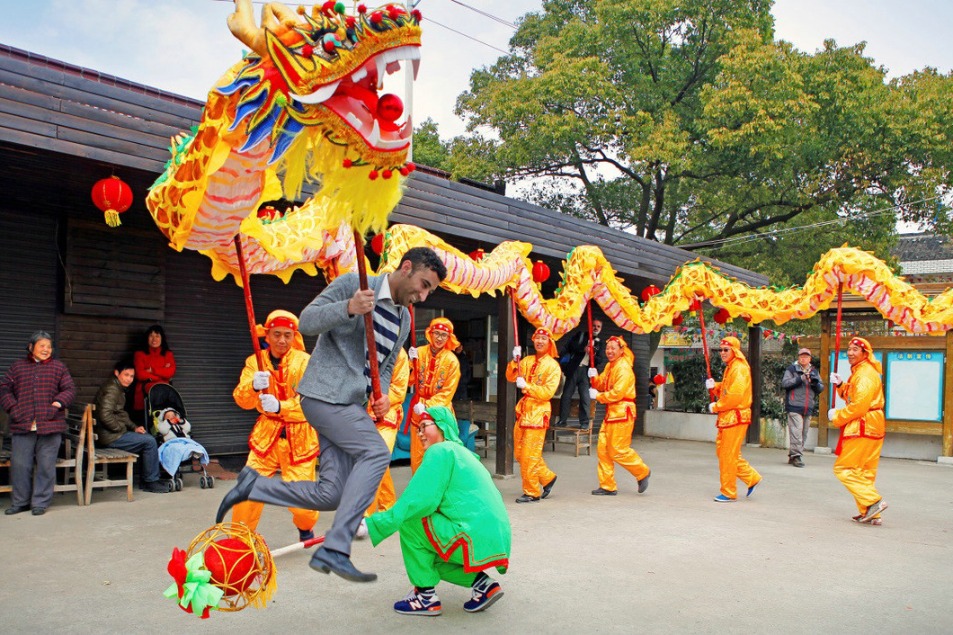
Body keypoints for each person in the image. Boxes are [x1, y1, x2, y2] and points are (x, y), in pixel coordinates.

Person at [215, 247, 447, 583]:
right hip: (322, 396)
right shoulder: (354, 284)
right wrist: (349, 307)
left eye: (430, 291)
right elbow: (308, 321)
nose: (423, 295)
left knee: (331, 494)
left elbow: (384, 365)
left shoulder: (405, 318)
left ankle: (254, 486)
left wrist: (380, 395)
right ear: (407, 267)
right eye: (424, 284)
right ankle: (336, 549)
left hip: (350, 405)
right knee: (376, 452)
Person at [366, 406, 510, 616]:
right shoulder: (462, 453)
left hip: (471, 535)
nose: (420, 433)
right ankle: (483, 585)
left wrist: (374, 525)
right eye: (418, 428)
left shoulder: (440, 451)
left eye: (425, 426)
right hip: (491, 537)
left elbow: (419, 501)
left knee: (410, 522)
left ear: (442, 426)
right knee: (427, 556)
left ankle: (425, 597)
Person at [230, 310, 319, 542]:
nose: (282, 340)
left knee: (303, 507)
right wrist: (252, 386)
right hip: (266, 436)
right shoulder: (255, 362)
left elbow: (313, 404)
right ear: (267, 335)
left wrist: (281, 406)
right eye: (277, 334)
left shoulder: (305, 362)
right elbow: (241, 400)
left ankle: (305, 527)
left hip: (300, 439)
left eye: (287, 335)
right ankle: (240, 543)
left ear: (294, 336)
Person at [0, 331, 75, 516]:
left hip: (50, 424)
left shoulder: (58, 367)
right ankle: (20, 502)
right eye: (42, 346)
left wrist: (56, 404)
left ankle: (40, 502)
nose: (46, 349)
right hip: (22, 424)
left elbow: (69, 390)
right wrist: (13, 408)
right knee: (20, 466)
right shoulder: (17, 367)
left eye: (49, 346)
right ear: (31, 347)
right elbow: (4, 388)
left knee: (46, 466)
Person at [828, 337, 887, 525]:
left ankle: (872, 501)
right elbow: (856, 396)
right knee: (865, 471)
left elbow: (859, 406)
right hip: (872, 424)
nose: (850, 353)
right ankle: (871, 512)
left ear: (864, 353)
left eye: (855, 349)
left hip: (863, 424)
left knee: (844, 468)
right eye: (849, 349)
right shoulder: (862, 371)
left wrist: (837, 415)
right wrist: (841, 385)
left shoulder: (864, 374)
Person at [94, 358, 167, 493]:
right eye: (126, 375)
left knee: (145, 438)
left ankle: (147, 480)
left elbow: (120, 413)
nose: (129, 379)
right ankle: (151, 481)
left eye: (132, 376)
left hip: (109, 435)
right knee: (149, 441)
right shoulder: (112, 390)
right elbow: (105, 415)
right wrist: (120, 429)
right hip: (110, 437)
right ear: (117, 373)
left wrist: (134, 427)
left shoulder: (116, 387)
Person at [588, 336, 651, 496]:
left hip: (622, 412)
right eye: (607, 348)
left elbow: (617, 393)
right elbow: (601, 384)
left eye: (613, 348)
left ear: (621, 350)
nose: (609, 351)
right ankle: (607, 485)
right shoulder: (610, 366)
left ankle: (642, 471)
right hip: (612, 413)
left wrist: (598, 396)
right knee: (603, 449)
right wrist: (594, 376)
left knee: (618, 450)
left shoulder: (623, 368)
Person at [505, 328, 561, 503]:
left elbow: (547, 392)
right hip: (524, 411)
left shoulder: (553, 366)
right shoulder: (527, 361)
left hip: (538, 412)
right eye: (537, 338)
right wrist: (514, 361)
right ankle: (546, 477)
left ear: (549, 342)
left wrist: (527, 386)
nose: (540, 341)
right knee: (519, 452)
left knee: (530, 454)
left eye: (544, 338)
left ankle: (532, 491)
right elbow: (510, 376)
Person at [705, 336, 761, 503]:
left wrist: (716, 406)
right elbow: (727, 389)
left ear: (734, 350)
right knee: (724, 452)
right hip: (729, 417)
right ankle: (751, 477)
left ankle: (729, 491)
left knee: (727, 454)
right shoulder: (732, 367)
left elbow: (735, 396)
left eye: (726, 349)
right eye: (721, 350)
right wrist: (715, 386)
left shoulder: (739, 368)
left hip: (735, 416)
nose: (722, 352)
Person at [361, 347, 410, 528]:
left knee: (376, 459)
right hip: (363, 414)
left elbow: (399, 389)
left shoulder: (399, 354)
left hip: (387, 415)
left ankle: (364, 515)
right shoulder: (361, 347)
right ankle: (388, 509)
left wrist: (382, 399)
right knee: (379, 465)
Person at [408, 317, 460, 472]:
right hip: (418, 412)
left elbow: (447, 393)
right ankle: (419, 485)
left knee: (438, 455)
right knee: (417, 455)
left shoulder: (452, 361)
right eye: (436, 333)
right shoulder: (419, 353)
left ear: (449, 337)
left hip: (440, 413)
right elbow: (408, 380)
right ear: (430, 334)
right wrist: (409, 363)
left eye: (444, 335)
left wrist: (426, 405)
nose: (439, 338)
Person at [557, 319, 605, 429]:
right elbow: (570, 346)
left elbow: (600, 359)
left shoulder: (599, 342)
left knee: (585, 397)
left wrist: (592, 354)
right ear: (590, 326)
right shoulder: (581, 335)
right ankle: (562, 420)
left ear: (601, 329)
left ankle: (584, 423)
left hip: (585, 372)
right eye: (594, 325)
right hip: (574, 369)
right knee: (566, 395)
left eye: (598, 326)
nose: (596, 328)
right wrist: (584, 349)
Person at [781, 347, 824, 468]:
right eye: (801, 356)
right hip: (794, 405)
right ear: (798, 358)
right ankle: (796, 456)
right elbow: (785, 383)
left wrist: (815, 383)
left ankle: (794, 455)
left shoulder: (814, 371)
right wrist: (800, 378)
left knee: (803, 433)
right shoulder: (791, 369)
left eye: (806, 356)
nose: (804, 358)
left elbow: (821, 388)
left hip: (808, 406)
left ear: (810, 358)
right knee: (797, 431)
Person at [133, 325, 176, 421]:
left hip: (165, 394)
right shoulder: (140, 354)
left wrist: (152, 370)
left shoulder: (168, 354)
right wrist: (162, 374)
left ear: (162, 338)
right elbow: (140, 374)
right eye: (151, 336)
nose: (154, 339)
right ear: (147, 338)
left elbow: (171, 372)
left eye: (157, 336)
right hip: (144, 396)